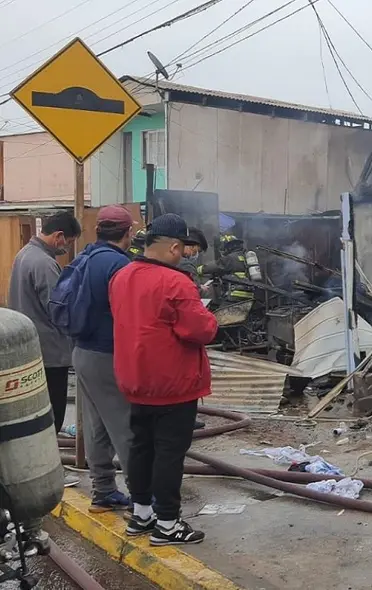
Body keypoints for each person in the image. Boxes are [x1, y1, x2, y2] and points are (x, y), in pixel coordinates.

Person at [110, 214, 218, 546]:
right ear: (173, 246)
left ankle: (141, 515)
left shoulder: (121, 276)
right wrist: (209, 315)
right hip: (172, 384)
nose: (184, 255)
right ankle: (168, 523)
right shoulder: (176, 283)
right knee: (169, 454)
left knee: (141, 448)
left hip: (135, 380)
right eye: (182, 249)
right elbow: (202, 330)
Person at [7, 210, 81, 487]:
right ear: (58, 236)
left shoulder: (24, 254)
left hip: (29, 349)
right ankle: (51, 471)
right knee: (53, 414)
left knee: (35, 415)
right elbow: (58, 309)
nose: (66, 249)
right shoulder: (45, 264)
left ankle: (36, 468)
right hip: (50, 351)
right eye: (68, 242)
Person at [72, 206, 136, 512]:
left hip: (82, 353)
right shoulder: (120, 265)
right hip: (108, 354)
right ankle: (143, 500)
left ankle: (104, 491)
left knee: (97, 426)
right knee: (126, 427)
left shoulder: (85, 257)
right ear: (128, 233)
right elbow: (131, 315)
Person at [196, 233, 253, 302]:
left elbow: (215, 266)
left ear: (229, 247)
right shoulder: (246, 257)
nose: (223, 250)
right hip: (249, 295)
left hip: (234, 294)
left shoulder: (230, 258)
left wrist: (199, 269)